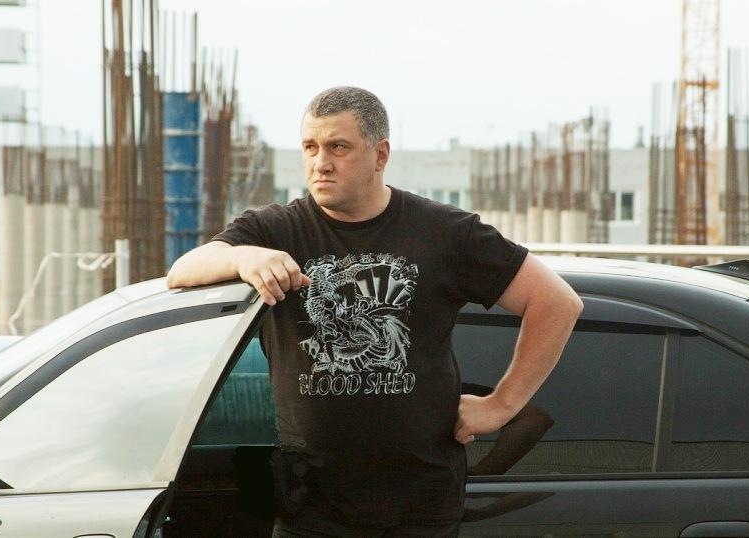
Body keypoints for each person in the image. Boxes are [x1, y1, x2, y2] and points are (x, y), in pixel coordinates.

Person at [167, 86, 582, 537]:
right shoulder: (274, 230)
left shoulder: (444, 232)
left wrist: (501, 405)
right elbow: (182, 271)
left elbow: (557, 302)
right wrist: (243, 257)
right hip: (311, 507)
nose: (321, 163)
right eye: (310, 147)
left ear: (380, 154)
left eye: (338, 147)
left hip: (420, 507)